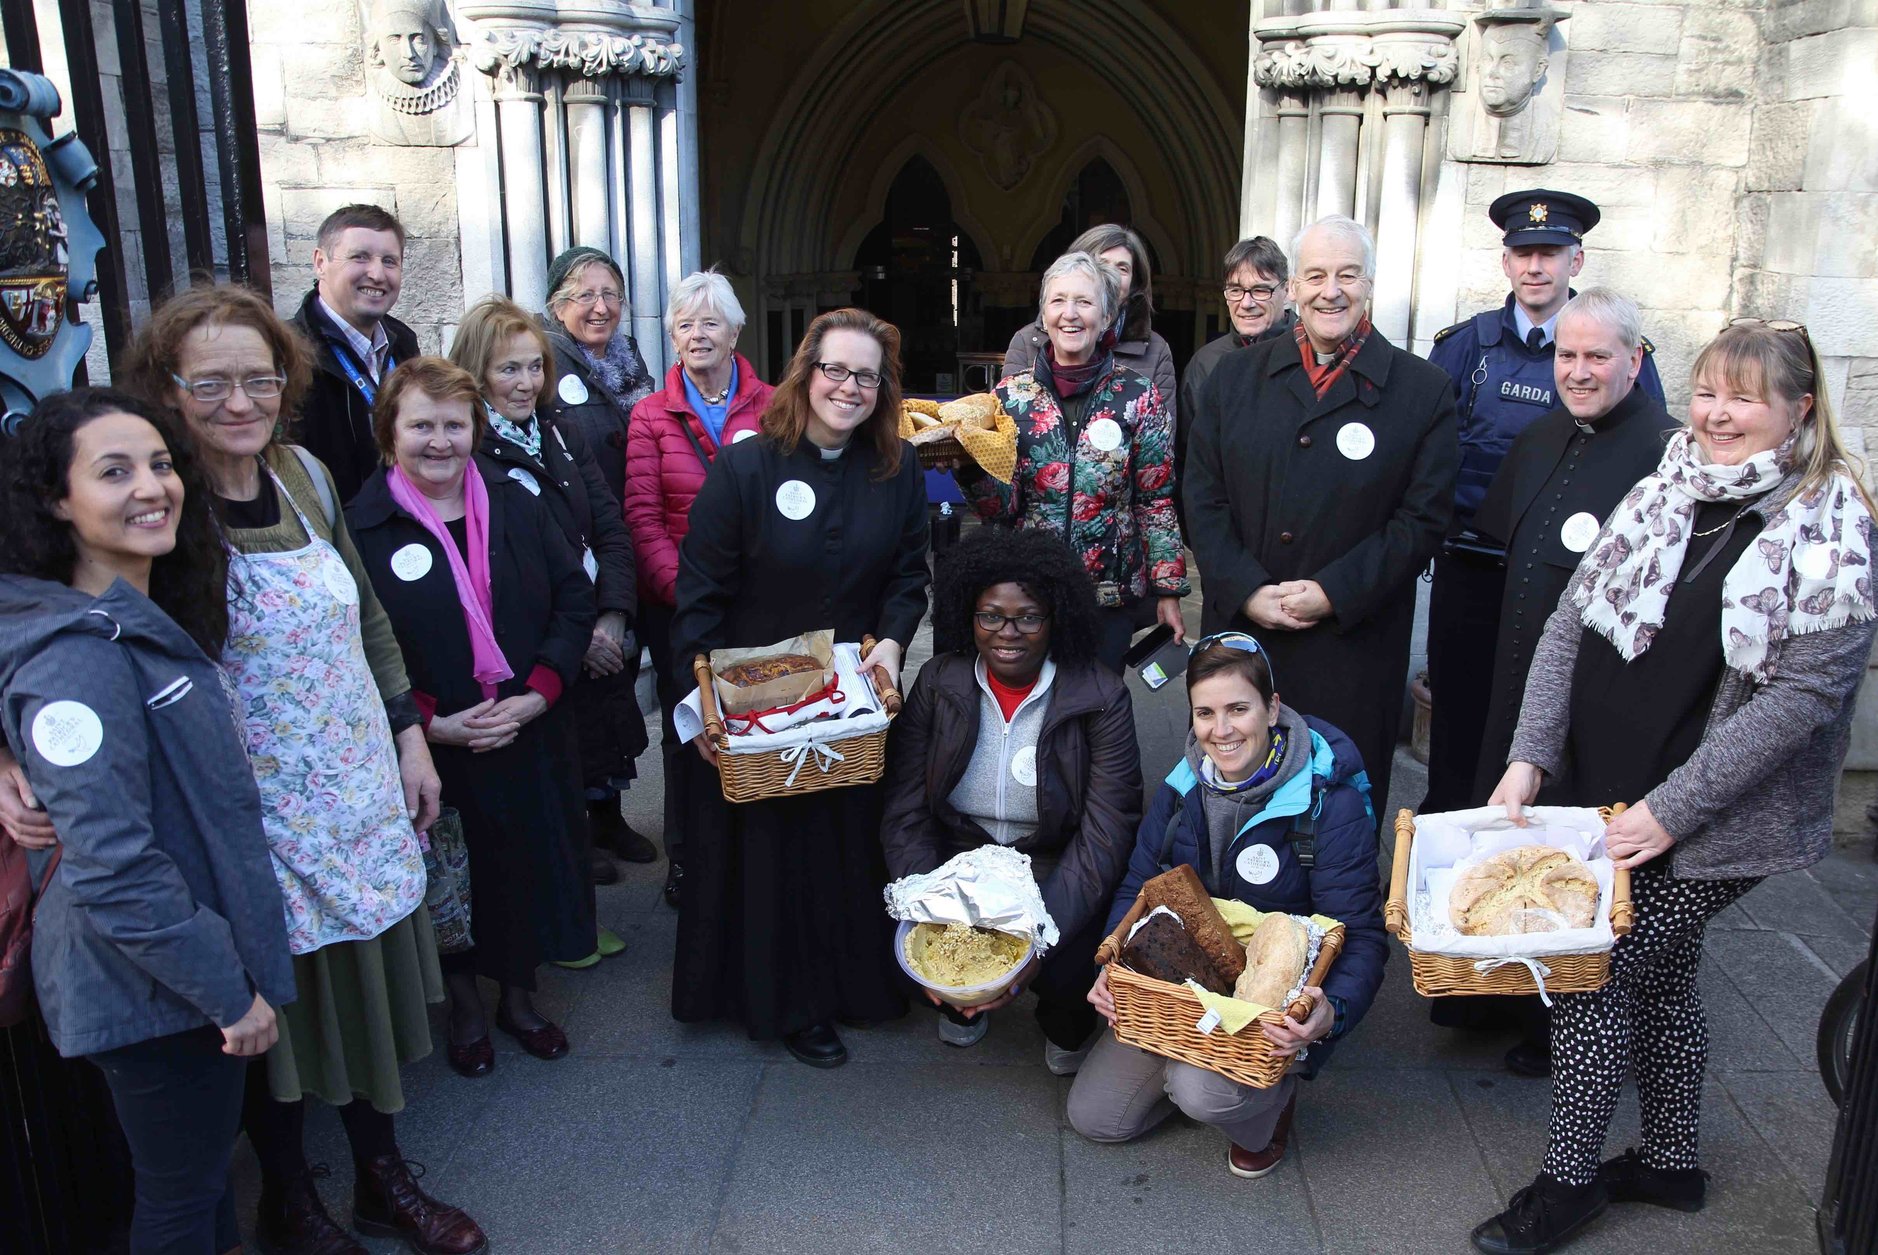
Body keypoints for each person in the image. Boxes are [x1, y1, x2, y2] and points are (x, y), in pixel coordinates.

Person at [1469, 320, 1878, 1254]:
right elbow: (1572, 620)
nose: (1718, 414)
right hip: (1609, 786)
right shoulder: (1666, 484)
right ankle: (1671, 1162)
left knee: (1595, 977)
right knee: (1663, 984)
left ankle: (1568, 1186)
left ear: (1798, 409)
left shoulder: (1834, 526)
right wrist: (1530, 754)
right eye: (1706, 391)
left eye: (1743, 397)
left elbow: (1800, 706)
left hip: (1708, 816)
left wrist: (1669, 812)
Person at [119, 284, 483, 1255]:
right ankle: (290, 1195)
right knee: (277, 1009)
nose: (241, 401)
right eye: (212, 383)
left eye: (260, 378)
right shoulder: (156, 504)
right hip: (244, 811)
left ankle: (380, 1178)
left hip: (353, 783)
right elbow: (66, 624)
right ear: (166, 388)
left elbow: (366, 615)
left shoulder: (309, 479)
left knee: (363, 996)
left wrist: (409, 733)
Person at [0, 388, 293, 1254]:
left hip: (174, 977)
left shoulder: (130, 620)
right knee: (178, 1202)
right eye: (114, 471)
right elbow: (116, 867)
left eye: (161, 464)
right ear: (58, 501)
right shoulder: (80, 659)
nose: (151, 487)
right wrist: (225, 989)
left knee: (201, 1193)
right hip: (157, 988)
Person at [672, 307, 929, 1068]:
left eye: (866, 376)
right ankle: (787, 1001)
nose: (849, 387)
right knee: (776, 853)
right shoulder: (745, 467)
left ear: (884, 390)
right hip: (762, 707)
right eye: (836, 370)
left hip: (849, 704)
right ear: (805, 373)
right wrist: (714, 706)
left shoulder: (897, 467)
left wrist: (890, 646)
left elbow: (909, 575)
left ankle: (854, 983)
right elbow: (701, 594)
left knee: (844, 844)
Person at [1438, 289, 1680, 1079]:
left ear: (1634, 360)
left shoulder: (1666, 454)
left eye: (1597, 356)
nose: (1577, 371)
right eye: (1566, 356)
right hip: (1518, 684)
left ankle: (1558, 1012)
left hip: (1599, 700)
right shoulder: (1543, 433)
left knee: (1567, 858)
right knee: (1512, 838)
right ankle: (1496, 989)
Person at [348, 356, 599, 1084]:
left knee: (523, 866)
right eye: (420, 424)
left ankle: (518, 998)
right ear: (388, 431)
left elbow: (571, 601)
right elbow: (358, 643)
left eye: (453, 425)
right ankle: (462, 1003)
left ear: (474, 429)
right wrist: (429, 722)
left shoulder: (516, 505)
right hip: (438, 746)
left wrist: (539, 691)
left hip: (526, 728)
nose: (439, 441)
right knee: (451, 876)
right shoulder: (364, 527)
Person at [1066, 634, 1387, 1178]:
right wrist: (1114, 966)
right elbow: (1140, 885)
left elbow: (1362, 934)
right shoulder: (1182, 784)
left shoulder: (1326, 803)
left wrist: (1331, 1013)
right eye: (1205, 713)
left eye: (1239, 708)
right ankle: (1195, 1064)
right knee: (1097, 1119)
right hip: (1188, 989)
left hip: (1273, 1005)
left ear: (1273, 707)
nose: (1222, 730)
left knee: (1199, 1091)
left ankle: (1267, 1103)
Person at [1183, 215, 1458, 814]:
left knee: (1339, 812)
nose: (1330, 290)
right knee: (1232, 805)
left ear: (1370, 286)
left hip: (1353, 647)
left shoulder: (1424, 390)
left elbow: (1423, 520)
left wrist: (1334, 592)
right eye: (1315, 275)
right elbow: (1202, 498)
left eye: (1347, 275)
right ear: (1293, 289)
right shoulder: (1233, 379)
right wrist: (1247, 588)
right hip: (1246, 639)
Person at [1421, 190, 1665, 814]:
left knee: (1547, 724)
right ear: (1505, 262)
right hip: (1473, 565)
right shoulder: (1464, 346)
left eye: (1550, 254)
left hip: (1570, 581)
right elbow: (1427, 450)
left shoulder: (1622, 348)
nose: (1536, 267)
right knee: (1463, 720)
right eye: (1523, 253)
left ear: (1574, 262)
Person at [880, 527, 1142, 1072]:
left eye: (1028, 616)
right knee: (906, 943)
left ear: (1055, 619)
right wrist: (931, 902)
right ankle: (963, 1003)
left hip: (1051, 855)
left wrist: (1037, 936)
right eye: (990, 615)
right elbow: (904, 804)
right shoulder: (938, 681)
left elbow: (1107, 828)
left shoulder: (1099, 694)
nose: (1008, 632)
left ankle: (1063, 1017)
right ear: (968, 617)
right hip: (960, 852)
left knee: (1071, 960)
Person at [449, 295, 646, 904]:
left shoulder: (557, 432)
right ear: (478, 370)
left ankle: (605, 821)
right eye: (509, 369)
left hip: (593, 616)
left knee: (605, 723)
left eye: (535, 366)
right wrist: (580, 635)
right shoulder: (471, 451)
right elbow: (505, 570)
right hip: (542, 634)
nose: (527, 381)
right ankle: (574, 848)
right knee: (561, 752)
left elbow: (610, 525)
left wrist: (613, 615)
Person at [959, 251, 1187, 672]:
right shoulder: (1009, 398)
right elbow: (1001, 510)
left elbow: (1155, 501)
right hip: (1028, 593)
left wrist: (1169, 590)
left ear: (1106, 316)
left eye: (1084, 302)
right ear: (1042, 316)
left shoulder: (1138, 396)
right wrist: (968, 468)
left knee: (1097, 710)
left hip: (1107, 592)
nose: (1070, 314)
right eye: (1058, 301)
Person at [624, 269, 774, 910]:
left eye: (710, 322)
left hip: (759, 603)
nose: (696, 335)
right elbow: (643, 516)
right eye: (684, 324)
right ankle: (687, 858)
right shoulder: (650, 415)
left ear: (736, 331)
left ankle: (755, 851)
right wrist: (691, 595)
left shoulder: (775, 406)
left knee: (760, 724)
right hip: (682, 606)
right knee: (689, 733)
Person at [539, 247, 660, 868]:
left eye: (611, 292)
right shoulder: (543, 359)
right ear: (556, 302)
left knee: (616, 680)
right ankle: (577, 829)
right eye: (584, 293)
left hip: (628, 539)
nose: (600, 306)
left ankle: (609, 817)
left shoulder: (627, 357)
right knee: (581, 684)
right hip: (576, 541)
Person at [291, 204, 421, 504]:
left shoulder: (404, 345)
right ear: (320, 262)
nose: (377, 274)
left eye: (390, 261)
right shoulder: (289, 353)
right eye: (359, 257)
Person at [1003, 224, 1177, 428]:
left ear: (1134, 283)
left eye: (1122, 268)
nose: (1109, 275)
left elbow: (1161, 441)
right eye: (1100, 263)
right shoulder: (1027, 341)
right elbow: (1006, 430)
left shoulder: (1155, 349)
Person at [1177, 236, 1296, 494]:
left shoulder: (1310, 351)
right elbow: (1192, 462)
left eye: (1260, 290)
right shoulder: (1205, 363)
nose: (1246, 303)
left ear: (1287, 292)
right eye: (1235, 290)